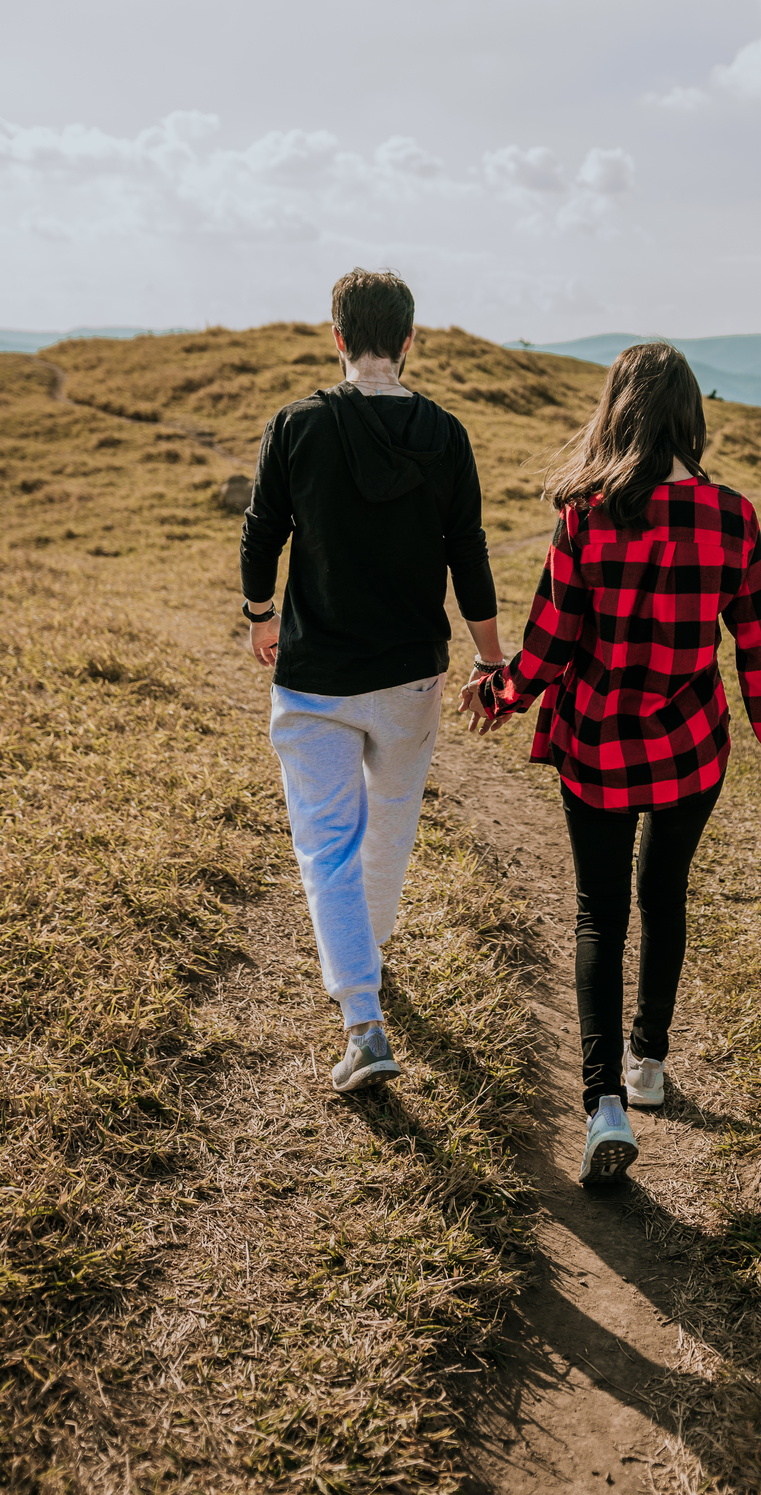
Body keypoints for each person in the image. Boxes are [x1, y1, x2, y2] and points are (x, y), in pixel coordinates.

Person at [460, 342, 761, 1185]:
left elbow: (548, 644)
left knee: (599, 915)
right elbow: (760, 647)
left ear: (615, 413)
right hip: (691, 749)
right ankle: (649, 1060)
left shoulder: (585, 515)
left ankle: (604, 1105)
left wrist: (499, 694)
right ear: (689, 418)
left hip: (597, 749)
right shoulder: (732, 517)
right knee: (665, 893)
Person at [240, 269, 508, 1092]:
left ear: (338, 337)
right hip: (410, 678)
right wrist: (491, 659)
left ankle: (363, 1021)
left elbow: (261, 532)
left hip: (315, 676)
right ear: (409, 340)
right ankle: (370, 956)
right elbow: (469, 552)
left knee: (327, 844)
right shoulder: (446, 434)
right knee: (387, 829)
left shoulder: (297, 425)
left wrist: (260, 615)